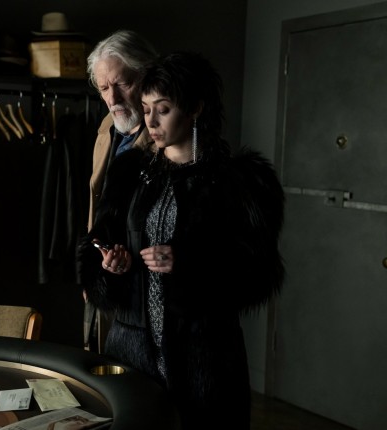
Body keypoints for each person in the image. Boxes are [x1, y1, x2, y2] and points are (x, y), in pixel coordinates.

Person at [77, 51, 285, 429]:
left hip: (205, 356)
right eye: (146, 109)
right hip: (131, 350)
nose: (150, 121)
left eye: (163, 109)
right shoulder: (128, 173)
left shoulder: (242, 182)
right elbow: (95, 247)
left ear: (195, 109)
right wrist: (111, 263)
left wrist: (190, 262)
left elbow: (259, 273)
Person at [82, 29, 159, 352]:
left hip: (148, 301)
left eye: (122, 84)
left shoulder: (167, 142)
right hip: (106, 280)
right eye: (103, 88)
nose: (112, 99)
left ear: (147, 77)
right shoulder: (106, 130)